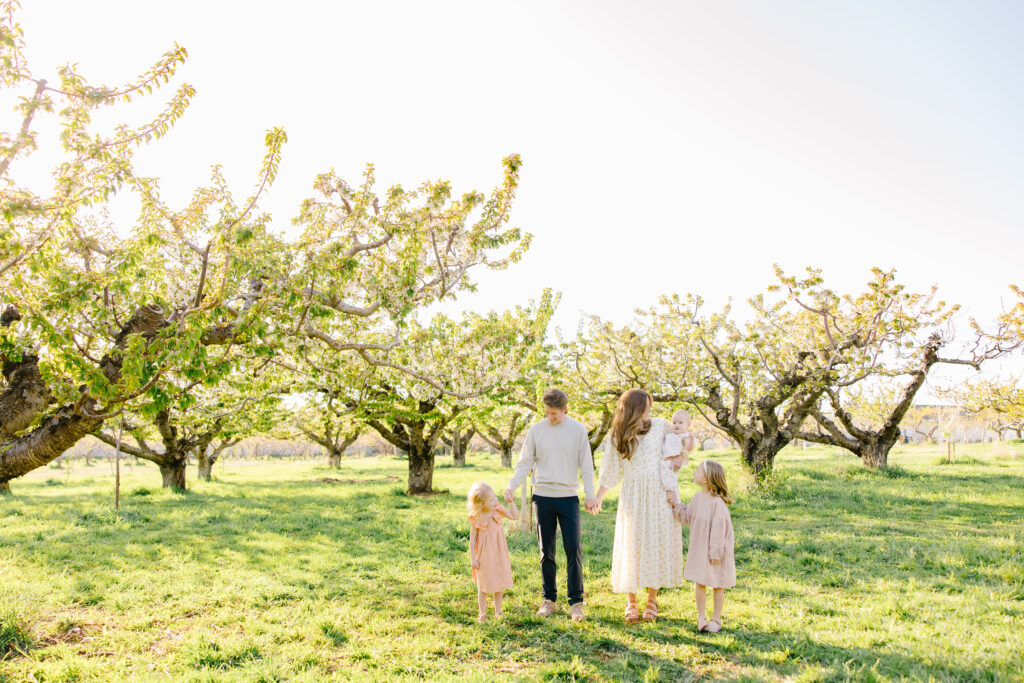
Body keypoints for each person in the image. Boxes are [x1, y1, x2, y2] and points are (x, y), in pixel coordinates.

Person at [592, 389, 684, 623]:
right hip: (633, 495)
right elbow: (610, 470)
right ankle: (631, 602)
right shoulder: (618, 434)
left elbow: (677, 453)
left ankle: (652, 600)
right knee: (632, 544)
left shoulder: (661, 426)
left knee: (656, 541)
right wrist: (599, 497)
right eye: (645, 407)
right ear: (634, 409)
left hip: (658, 493)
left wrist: (679, 459)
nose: (649, 412)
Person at [504, 388, 596, 622]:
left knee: (573, 547)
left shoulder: (577, 430)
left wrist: (590, 494)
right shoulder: (536, 430)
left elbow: (586, 464)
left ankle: (576, 602)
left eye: (554, 413)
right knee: (547, 551)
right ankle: (549, 600)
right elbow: (524, 463)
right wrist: (512, 486)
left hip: (568, 496)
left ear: (565, 409)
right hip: (543, 495)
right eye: (547, 413)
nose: (550, 417)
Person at [677, 459, 735, 633]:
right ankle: (701, 616)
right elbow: (686, 517)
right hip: (700, 549)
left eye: (697, 471)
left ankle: (716, 618)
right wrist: (675, 504)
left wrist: (715, 553)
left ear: (706, 478)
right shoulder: (697, 498)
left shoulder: (717, 504)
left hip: (715, 551)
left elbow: (719, 530)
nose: (694, 473)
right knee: (700, 582)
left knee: (718, 584)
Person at [467, 481, 519, 623]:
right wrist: (473, 558)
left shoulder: (497, 510)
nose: (495, 500)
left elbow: (515, 517)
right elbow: (472, 541)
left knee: (498, 581)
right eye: (491, 500)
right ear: (480, 503)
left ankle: (498, 611)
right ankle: (482, 613)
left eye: (494, 497)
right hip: (484, 555)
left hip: (498, 552)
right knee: (483, 584)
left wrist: (511, 503)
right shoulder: (476, 518)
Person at [660, 409, 697, 516]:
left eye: (681, 423)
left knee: (666, 472)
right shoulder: (672, 433)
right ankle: (669, 488)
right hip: (667, 459)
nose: (677, 425)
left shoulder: (685, 436)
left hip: (673, 460)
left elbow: (688, 448)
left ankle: (671, 490)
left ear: (688, 424)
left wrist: (690, 440)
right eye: (675, 423)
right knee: (664, 471)